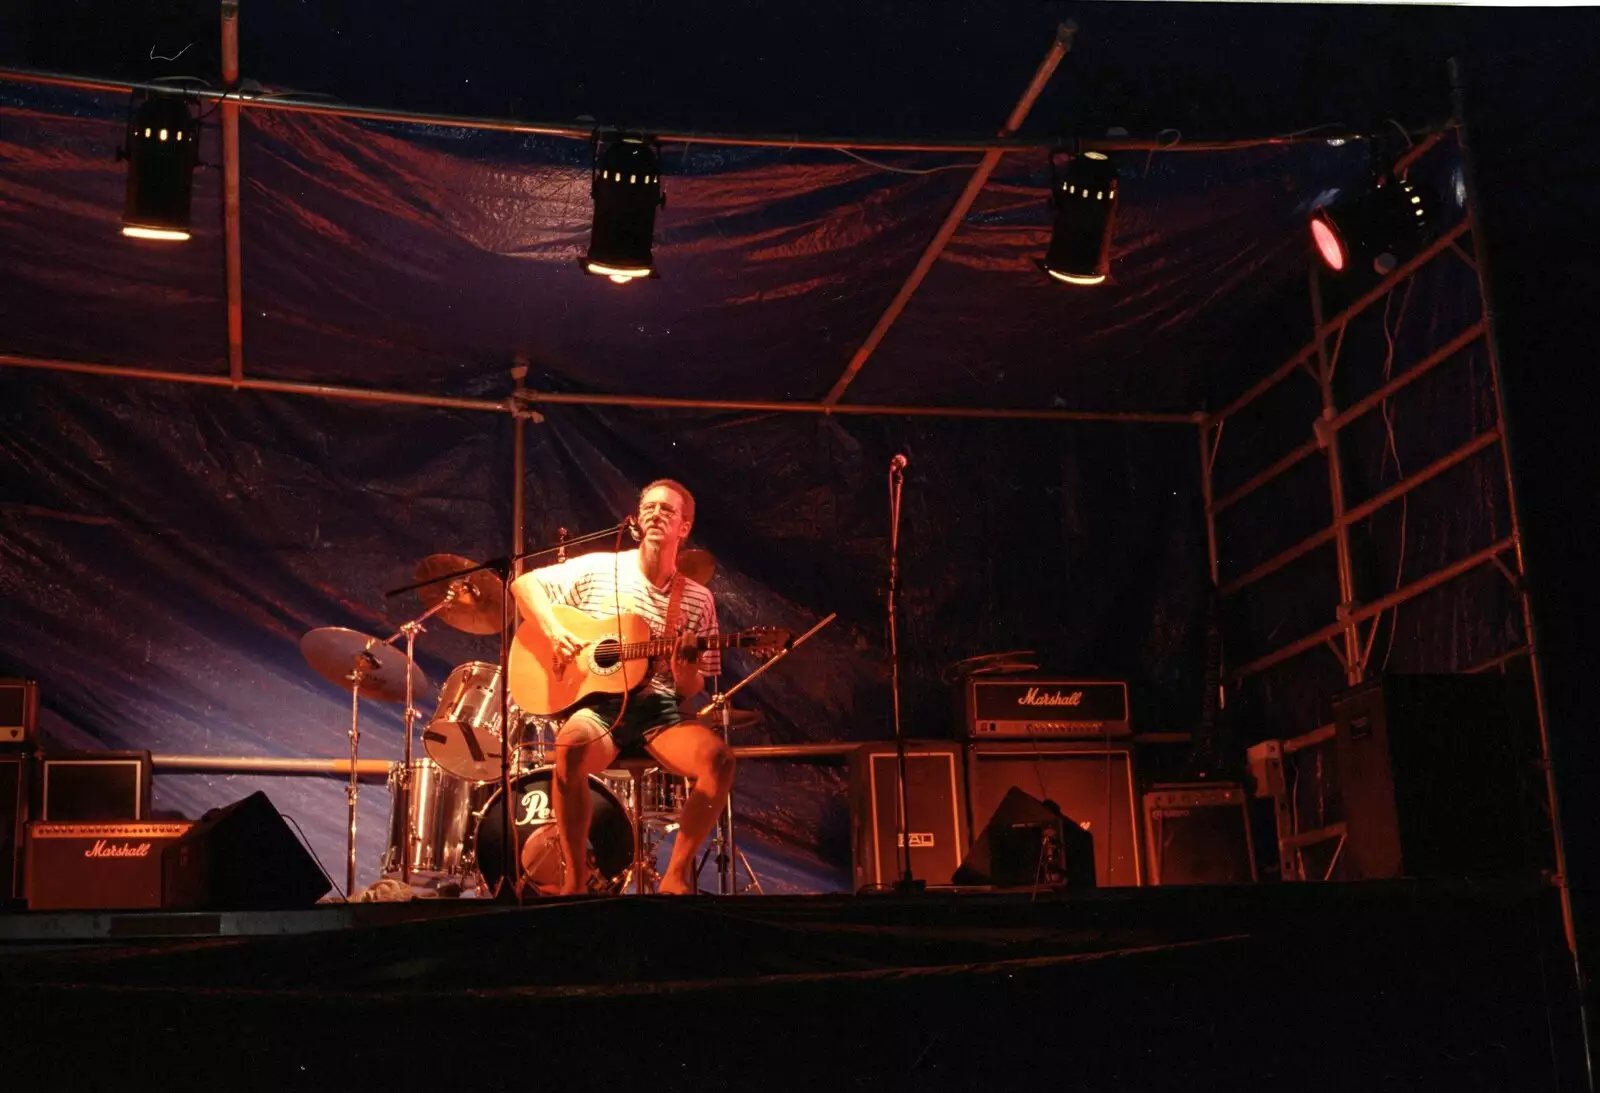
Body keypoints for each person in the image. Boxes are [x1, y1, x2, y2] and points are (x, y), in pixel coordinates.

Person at [510, 479, 732, 895]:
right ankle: (575, 878)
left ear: (684, 528)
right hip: (600, 708)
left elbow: (692, 684)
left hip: (658, 711)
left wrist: (684, 665)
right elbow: (524, 585)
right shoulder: (599, 567)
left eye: (667, 510)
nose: (655, 514)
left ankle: (675, 875)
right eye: (648, 507)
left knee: (719, 760)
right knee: (570, 747)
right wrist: (556, 631)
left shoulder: (698, 599)